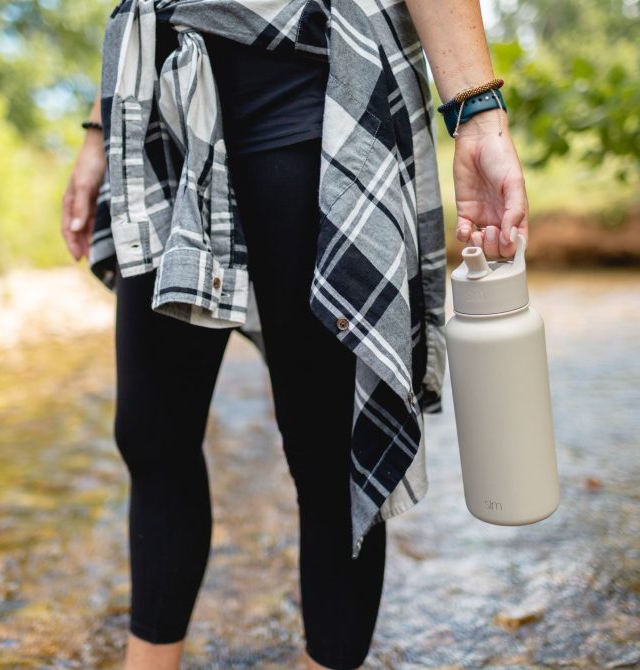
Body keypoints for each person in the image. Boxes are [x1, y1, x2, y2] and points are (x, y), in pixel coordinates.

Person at [61, 0, 529, 668]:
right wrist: (98, 128)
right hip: (161, 101)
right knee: (151, 434)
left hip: (307, 90)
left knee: (329, 452)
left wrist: (477, 112)